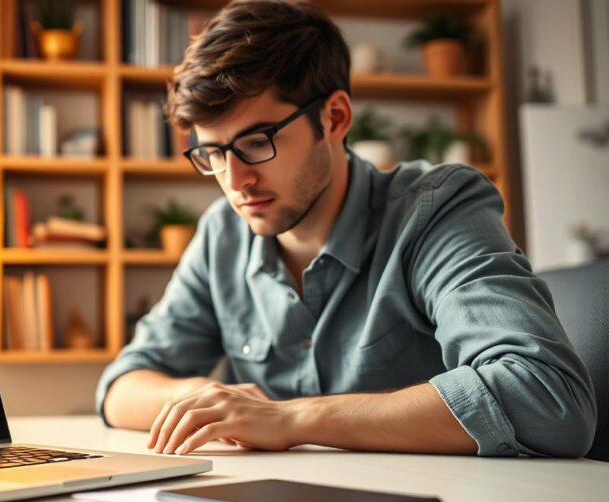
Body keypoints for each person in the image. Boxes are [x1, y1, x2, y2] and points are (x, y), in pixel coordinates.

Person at [95, 0, 595, 458]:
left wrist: (291, 419)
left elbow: (546, 397)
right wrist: (202, 400)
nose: (235, 180)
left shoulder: (436, 210)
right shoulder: (222, 235)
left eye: (256, 142)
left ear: (333, 118)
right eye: (213, 153)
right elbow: (120, 387)